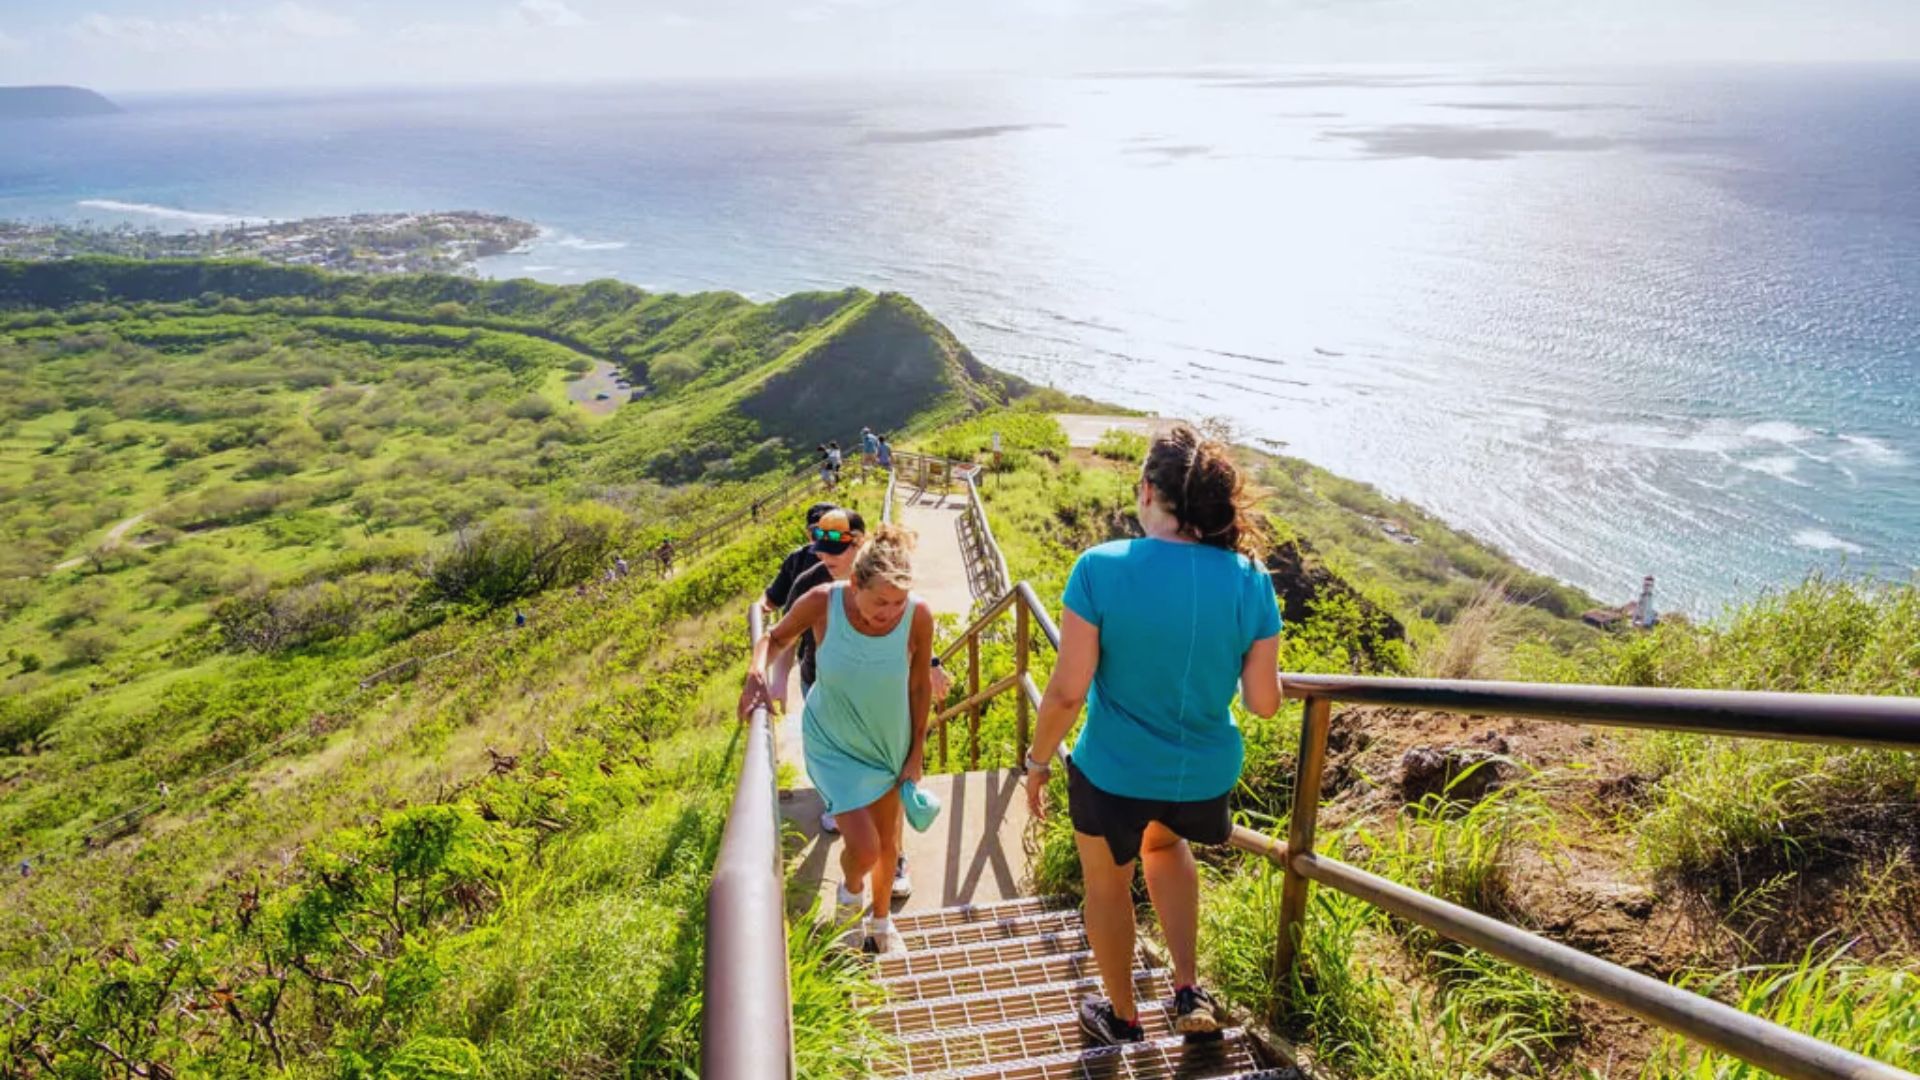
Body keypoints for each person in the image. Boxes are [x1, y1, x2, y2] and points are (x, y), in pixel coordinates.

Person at [1022, 424, 1282, 1044]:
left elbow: (1065, 692)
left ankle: (1123, 1018)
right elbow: (1264, 702)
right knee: (1164, 848)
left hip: (1115, 770)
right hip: (1202, 774)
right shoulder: (1252, 579)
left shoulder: (1101, 568)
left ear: (1146, 491)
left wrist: (1036, 763)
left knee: (1107, 884)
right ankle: (1188, 988)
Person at [740, 524, 933, 953]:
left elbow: (920, 687)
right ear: (855, 584)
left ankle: (881, 926)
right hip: (834, 744)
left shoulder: (917, 616)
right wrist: (757, 672)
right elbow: (774, 638)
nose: (889, 612)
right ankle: (849, 902)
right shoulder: (824, 603)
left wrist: (916, 751)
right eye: (880, 601)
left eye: (897, 602)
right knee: (864, 849)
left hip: (888, 742)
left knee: (889, 845)